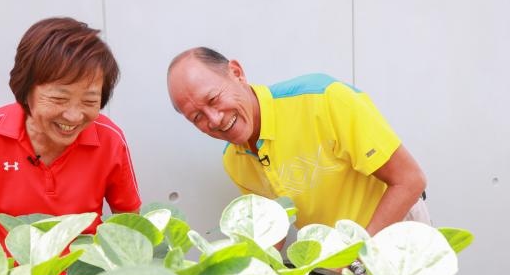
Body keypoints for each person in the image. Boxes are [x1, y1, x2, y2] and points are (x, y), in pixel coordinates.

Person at [0, 17, 141, 245]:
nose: (74, 116)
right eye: (59, 98)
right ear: (26, 90)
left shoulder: (110, 139)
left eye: (89, 101)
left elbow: (130, 227)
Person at [166, 47, 429, 237]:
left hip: (395, 228)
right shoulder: (233, 160)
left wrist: (358, 260)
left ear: (236, 73)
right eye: (197, 116)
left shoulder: (324, 99)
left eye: (213, 99)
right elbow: (273, 229)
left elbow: (410, 181)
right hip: (336, 259)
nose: (214, 119)